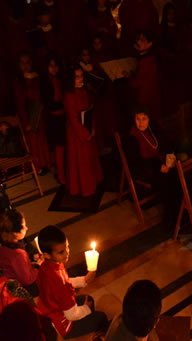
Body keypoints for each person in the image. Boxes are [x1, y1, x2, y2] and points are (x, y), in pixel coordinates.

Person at [36, 225, 108, 339]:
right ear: (47, 255)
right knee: (101, 317)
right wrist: (86, 309)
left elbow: (64, 281)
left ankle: (88, 324)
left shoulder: (45, 266)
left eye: (67, 247)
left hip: (49, 311)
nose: (67, 253)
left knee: (88, 299)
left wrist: (84, 280)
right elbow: (72, 315)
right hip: (64, 325)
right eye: (61, 252)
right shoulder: (61, 284)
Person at [125, 106, 179, 227]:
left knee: (179, 175)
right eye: (138, 119)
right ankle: (171, 219)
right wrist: (159, 166)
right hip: (146, 170)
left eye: (144, 119)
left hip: (162, 164)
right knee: (168, 181)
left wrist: (168, 160)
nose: (141, 122)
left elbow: (165, 143)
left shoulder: (153, 129)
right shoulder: (132, 137)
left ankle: (181, 214)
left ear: (149, 119)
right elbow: (136, 162)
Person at [64, 64, 103, 197]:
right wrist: (84, 134)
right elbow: (73, 119)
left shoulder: (83, 91)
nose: (80, 79)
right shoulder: (69, 95)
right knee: (80, 159)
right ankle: (84, 187)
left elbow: (88, 109)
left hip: (86, 128)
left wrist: (92, 128)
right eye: (77, 77)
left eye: (81, 76)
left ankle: (92, 182)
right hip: (77, 133)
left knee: (88, 158)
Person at [14, 53, 51, 175]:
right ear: (19, 65)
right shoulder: (19, 81)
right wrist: (26, 122)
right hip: (28, 116)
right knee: (32, 142)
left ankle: (45, 163)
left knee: (41, 140)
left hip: (39, 114)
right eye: (22, 63)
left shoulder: (37, 77)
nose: (25, 65)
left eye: (27, 62)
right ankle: (37, 167)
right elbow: (20, 104)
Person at [0, 210, 42, 297]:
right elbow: (27, 280)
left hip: (10, 285)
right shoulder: (18, 254)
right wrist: (38, 266)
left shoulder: (4, 247)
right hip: (24, 291)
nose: (26, 228)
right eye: (23, 227)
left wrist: (32, 257)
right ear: (15, 233)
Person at [41, 55, 66, 184]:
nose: (54, 69)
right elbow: (50, 103)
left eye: (55, 66)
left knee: (64, 147)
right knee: (59, 147)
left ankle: (64, 173)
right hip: (54, 119)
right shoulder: (45, 82)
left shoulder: (62, 79)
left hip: (63, 117)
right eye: (51, 66)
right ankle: (61, 175)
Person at [128, 31, 161, 120]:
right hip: (148, 98)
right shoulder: (147, 59)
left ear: (149, 44)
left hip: (145, 99)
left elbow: (137, 83)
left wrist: (129, 77)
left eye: (142, 40)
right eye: (138, 39)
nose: (138, 42)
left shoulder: (147, 61)